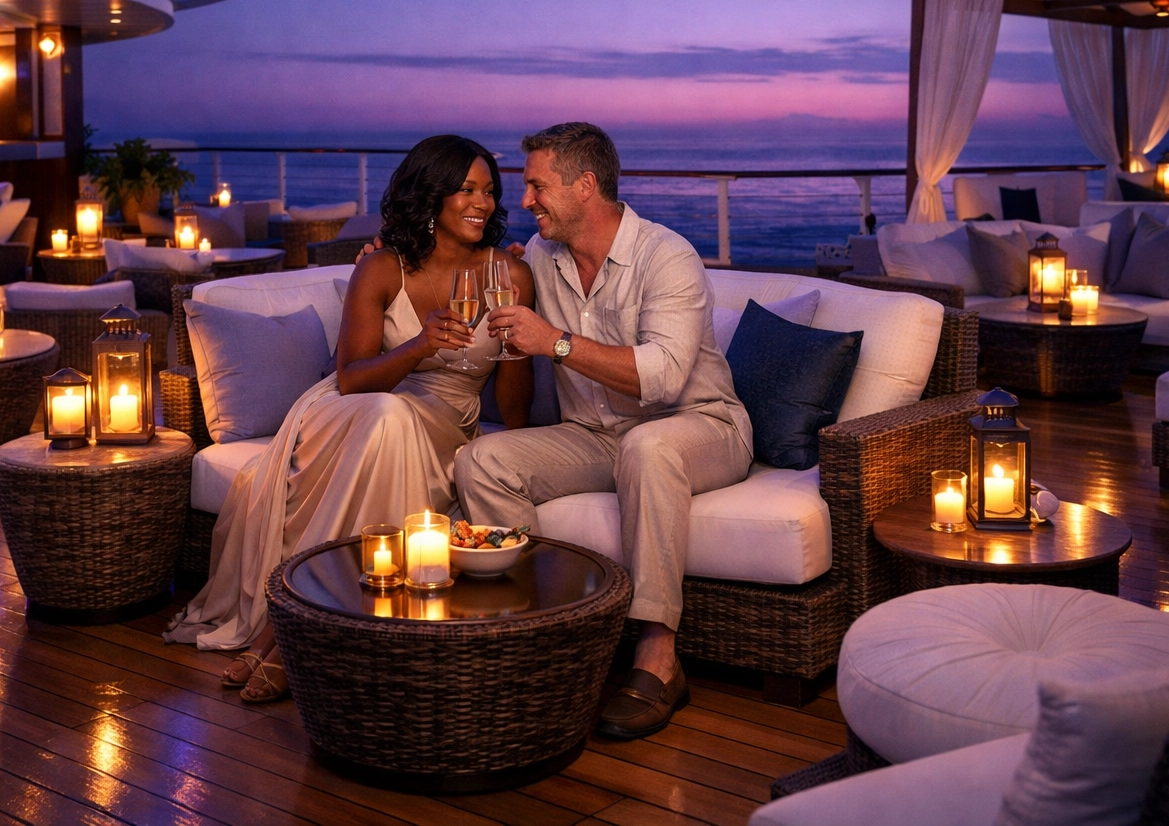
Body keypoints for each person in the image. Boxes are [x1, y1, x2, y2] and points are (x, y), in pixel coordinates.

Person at [165, 135, 535, 702]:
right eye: (466, 189)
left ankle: (281, 628)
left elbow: (514, 411)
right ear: (431, 196)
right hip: (354, 407)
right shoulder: (384, 267)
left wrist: (516, 344)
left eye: (489, 190)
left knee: (393, 425)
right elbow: (351, 378)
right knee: (387, 417)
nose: (482, 202)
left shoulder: (509, 276)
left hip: (446, 423)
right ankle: (290, 631)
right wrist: (416, 346)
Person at [457, 122, 752, 740]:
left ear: (585, 186)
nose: (527, 199)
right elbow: (466, 258)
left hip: (698, 426)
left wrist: (554, 342)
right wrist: (392, 251)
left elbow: (666, 379)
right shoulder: (540, 255)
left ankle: (658, 658)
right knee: (482, 460)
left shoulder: (666, 256)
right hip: (596, 436)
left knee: (648, 445)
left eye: (538, 186)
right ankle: (537, 638)